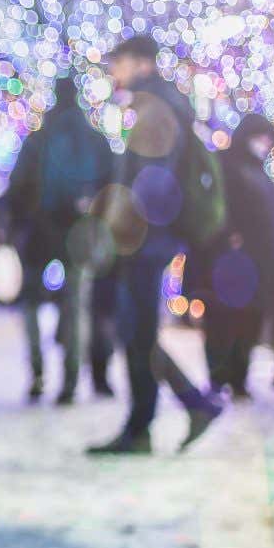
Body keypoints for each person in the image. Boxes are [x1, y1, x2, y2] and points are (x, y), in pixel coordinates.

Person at [87, 35, 225, 455]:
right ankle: (173, 412)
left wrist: (123, 233)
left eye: (120, 62)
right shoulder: (157, 106)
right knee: (137, 331)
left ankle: (149, 425)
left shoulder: (155, 111)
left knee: (137, 330)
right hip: (150, 240)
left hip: (146, 243)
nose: (114, 71)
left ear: (142, 64)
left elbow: (150, 184)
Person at [4, 76, 116, 402]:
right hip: (80, 232)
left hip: (39, 229)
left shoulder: (39, 139)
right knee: (77, 305)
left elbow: (17, 184)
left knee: (31, 304)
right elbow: (111, 187)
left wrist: (12, 226)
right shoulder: (95, 140)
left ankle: (37, 374)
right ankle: (70, 382)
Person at [189, 115, 274, 398]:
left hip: (255, 265)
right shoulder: (226, 166)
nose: (264, 145)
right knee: (220, 323)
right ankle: (219, 378)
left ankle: (239, 378)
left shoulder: (261, 174)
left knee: (247, 324)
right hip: (225, 262)